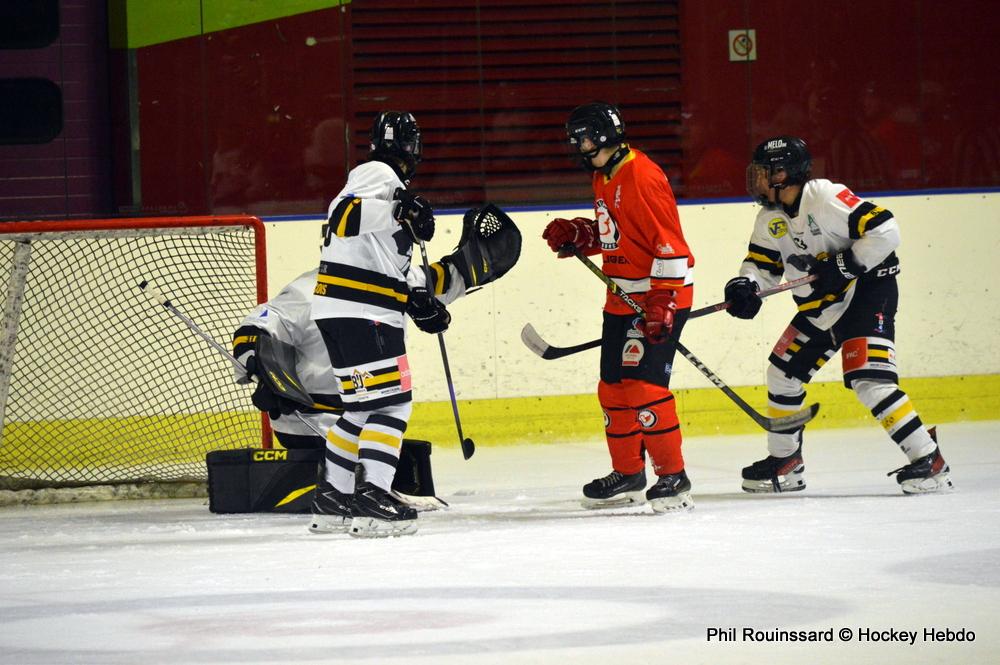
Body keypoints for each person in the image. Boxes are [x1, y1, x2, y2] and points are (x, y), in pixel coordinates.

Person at [724, 135, 953, 494]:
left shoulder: (825, 197)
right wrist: (746, 285)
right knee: (782, 374)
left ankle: (929, 460)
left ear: (786, 173)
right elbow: (761, 265)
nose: (758, 180)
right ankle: (786, 463)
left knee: (869, 379)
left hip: (866, 293)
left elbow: (886, 230)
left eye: (765, 172)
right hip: (821, 305)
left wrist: (846, 264)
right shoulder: (769, 218)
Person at [542, 102, 696, 513]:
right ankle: (628, 473)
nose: (577, 145)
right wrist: (581, 233)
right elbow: (620, 233)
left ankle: (674, 477)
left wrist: (662, 301)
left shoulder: (642, 175)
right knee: (612, 388)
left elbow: (671, 246)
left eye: (582, 138)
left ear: (601, 136)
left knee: (644, 386)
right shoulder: (603, 174)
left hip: (659, 294)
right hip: (621, 297)